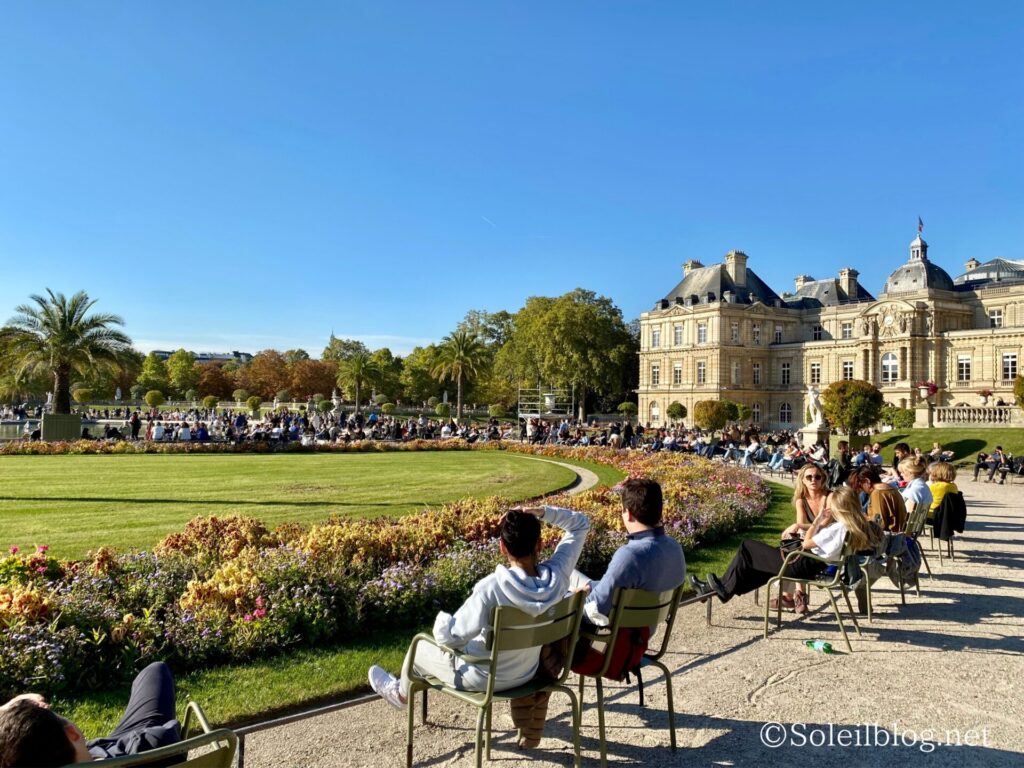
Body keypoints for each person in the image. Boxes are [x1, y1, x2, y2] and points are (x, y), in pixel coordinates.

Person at [367, 505, 590, 710]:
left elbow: (451, 638)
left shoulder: (490, 588)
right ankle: (405, 690)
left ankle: (401, 696)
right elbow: (580, 523)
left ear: (502, 547)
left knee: (420, 647)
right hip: (528, 673)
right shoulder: (559, 577)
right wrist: (541, 512)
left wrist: (441, 622)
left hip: (485, 678)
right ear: (539, 545)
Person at [689, 486, 876, 615]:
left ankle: (723, 590)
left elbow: (808, 542)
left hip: (801, 563)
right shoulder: (851, 527)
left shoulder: (838, 528)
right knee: (757, 567)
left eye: (831, 506)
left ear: (840, 507)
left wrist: (819, 520)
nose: (828, 508)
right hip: (809, 564)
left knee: (747, 547)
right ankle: (713, 589)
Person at [0, 662, 181, 766]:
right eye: (55, 713)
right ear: (73, 733)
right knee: (155, 671)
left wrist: (11, 711)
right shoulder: (150, 746)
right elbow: (167, 732)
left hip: (91, 753)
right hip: (118, 751)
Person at [851, 465, 907, 532]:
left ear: (867, 481)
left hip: (889, 538)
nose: (862, 490)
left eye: (860, 486)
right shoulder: (891, 489)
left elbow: (879, 524)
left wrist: (862, 518)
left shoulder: (878, 493)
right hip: (898, 535)